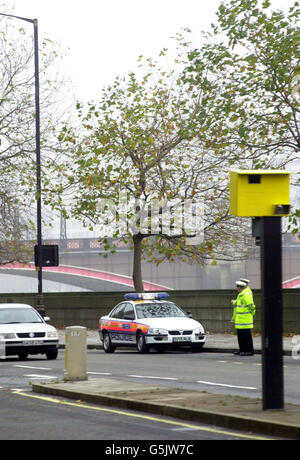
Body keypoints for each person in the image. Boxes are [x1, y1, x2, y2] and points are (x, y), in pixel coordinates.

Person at [231, 280, 255, 356]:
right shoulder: (241, 294)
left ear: (241, 287)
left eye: (237, 287)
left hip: (245, 320)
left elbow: (251, 305)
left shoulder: (246, 294)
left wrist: (252, 313)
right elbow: (240, 302)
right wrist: (234, 302)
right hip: (240, 320)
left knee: (246, 336)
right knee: (241, 336)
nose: (236, 288)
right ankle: (242, 350)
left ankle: (249, 351)